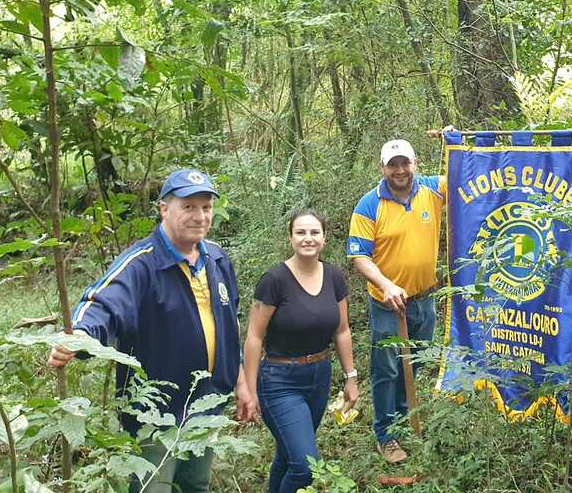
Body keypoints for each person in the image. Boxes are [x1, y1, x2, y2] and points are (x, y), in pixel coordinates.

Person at [48, 169, 255, 493]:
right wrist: (80, 336)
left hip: (208, 401)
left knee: (195, 484)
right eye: (188, 207)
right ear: (164, 209)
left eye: (206, 207)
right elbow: (103, 302)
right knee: (153, 487)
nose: (199, 216)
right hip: (155, 412)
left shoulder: (216, 258)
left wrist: (241, 382)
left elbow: (231, 324)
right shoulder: (142, 264)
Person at [243, 210, 359, 493]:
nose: (308, 238)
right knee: (305, 465)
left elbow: (342, 330)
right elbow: (254, 336)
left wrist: (351, 377)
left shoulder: (334, 276)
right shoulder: (274, 280)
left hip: (319, 376)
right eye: (301, 232)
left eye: (314, 232)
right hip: (279, 380)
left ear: (324, 238)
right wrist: (249, 389)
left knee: (288, 455)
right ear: (290, 237)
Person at [347, 138, 446, 463]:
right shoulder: (368, 204)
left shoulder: (433, 189)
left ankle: (406, 418)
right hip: (388, 305)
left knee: (415, 363)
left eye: (405, 163)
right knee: (387, 369)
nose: (400, 170)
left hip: (424, 300)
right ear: (383, 168)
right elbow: (360, 256)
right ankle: (385, 434)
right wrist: (386, 285)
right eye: (393, 164)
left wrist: (457, 141)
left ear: (415, 163)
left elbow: (468, 176)